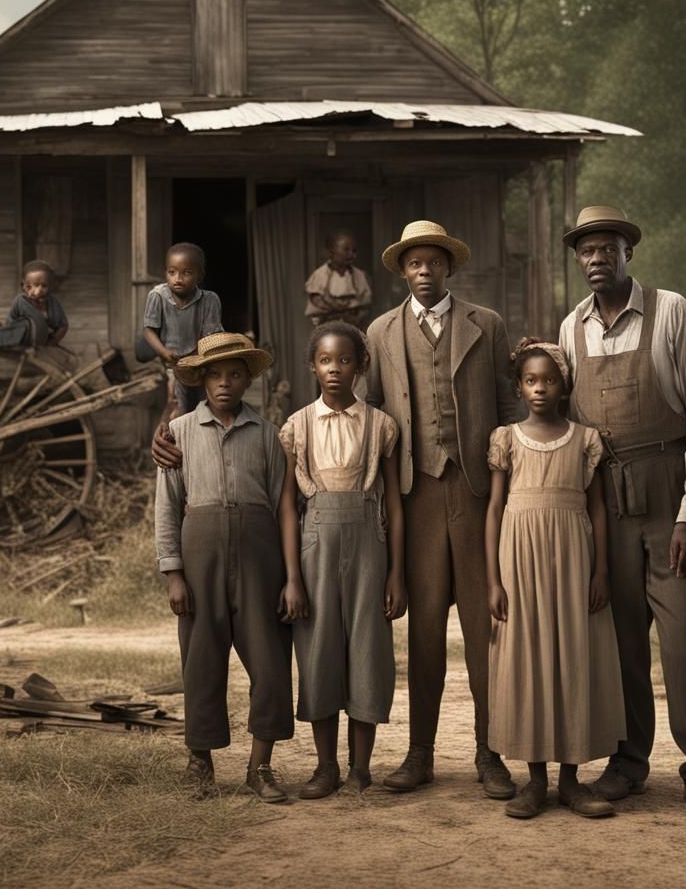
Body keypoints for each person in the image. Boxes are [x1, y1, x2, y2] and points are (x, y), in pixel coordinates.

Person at [559, 205, 686, 827]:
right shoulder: (571, 328)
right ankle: (627, 763)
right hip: (606, 497)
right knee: (621, 644)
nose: (597, 259)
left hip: (668, 490)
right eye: (586, 250)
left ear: (628, 253)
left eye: (608, 248)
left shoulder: (672, 311)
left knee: (685, 643)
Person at [364, 220, 522, 798]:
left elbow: (508, 408)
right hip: (415, 493)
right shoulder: (381, 331)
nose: (424, 272)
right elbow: (374, 415)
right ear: (403, 271)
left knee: (487, 628)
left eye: (433, 263)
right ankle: (420, 753)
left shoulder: (487, 323)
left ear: (449, 268)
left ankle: (491, 752)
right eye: (414, 264)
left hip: (480, 492)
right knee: (425, 630)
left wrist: (511, 480)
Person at [485, 338, 625, 820]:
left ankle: (571, 781)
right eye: (530, 380)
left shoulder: (585, 440)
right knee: (529, 656)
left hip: (572, 556)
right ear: (519, 387)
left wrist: (601, 570)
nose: (539, 388)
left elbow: (599, 508)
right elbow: (495, 508)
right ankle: (535, 779)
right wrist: (494, 581)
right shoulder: (506, 438)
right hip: (519, 558)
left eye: (548, 380)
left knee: (571, 654)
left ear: (564, 385)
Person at [154, 332, 294, 804]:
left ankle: (261, 766)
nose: (225, 382)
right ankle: (201, 763)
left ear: (248, 378)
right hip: (200, 557)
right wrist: (174, 571)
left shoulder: (267, 433)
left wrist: (290, 577)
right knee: (201, 662)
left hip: (260, 554)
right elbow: (167, 506)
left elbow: (284, 506)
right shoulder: (179, 433)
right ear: (200, 379)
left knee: (271, 663)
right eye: (214, 374)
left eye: (235, 373)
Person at [278, 322, 406, 797]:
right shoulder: (296, 427)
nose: (335, 369)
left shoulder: (380, 425)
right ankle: (326, 766)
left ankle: (361, 768)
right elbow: (288, 505)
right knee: (318, 649)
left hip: (369, 543)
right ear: (313, 366)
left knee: (368, 650)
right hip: (315, 546)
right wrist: (293, 576)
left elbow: (393, 503)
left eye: (345, 360)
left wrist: (397, 571)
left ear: (361, 366)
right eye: (326, 361)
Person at [141, 242, 223, 420]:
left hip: (202, 363)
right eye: (172, 272)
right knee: (178, 408)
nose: (178, 278)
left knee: (207, 409)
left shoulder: (210, 300)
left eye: (186, 273)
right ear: (166, 273)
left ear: (199, 276)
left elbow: (213, 337)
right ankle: (178, 442)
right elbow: (148, 330)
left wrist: (197, 358)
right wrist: (164, 352)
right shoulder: (157, 296)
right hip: (173, 363)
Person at [304, 231, 373, 329]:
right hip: (326, 326)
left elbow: (366, 303)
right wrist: (335, 310)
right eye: (346, 250)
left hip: (354, 326)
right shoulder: (319, 275)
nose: (351, 254)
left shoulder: (360, 276)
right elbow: (316, 301)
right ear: (331, 251)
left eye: (354, 251)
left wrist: (357, 318)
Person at [0, 259, 69, 350]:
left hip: (43, 340)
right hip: (22, 340)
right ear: (24, 286)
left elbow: (63, 325)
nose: (40, 290)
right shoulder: (20, 302)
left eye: (44, 286)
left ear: (49, 286)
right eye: (35, 285)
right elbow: (10, 324)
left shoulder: (52, 302)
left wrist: (53, 341)